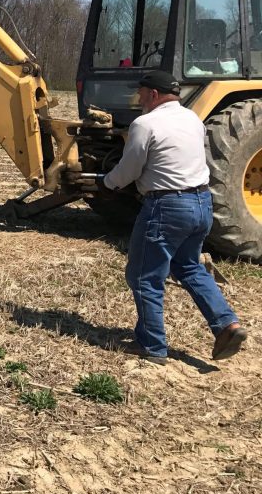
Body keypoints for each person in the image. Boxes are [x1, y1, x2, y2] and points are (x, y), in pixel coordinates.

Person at [101, 70, 247, 365]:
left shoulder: (146, 123)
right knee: (189, 267)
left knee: (144, 276)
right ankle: (227, 324)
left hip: (166, 207)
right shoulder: (192, 118)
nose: (139, 98)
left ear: (153, 94)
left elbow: (130, 168)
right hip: (201, 203)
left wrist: (107, 183)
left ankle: (152, 345)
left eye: (141, 92)